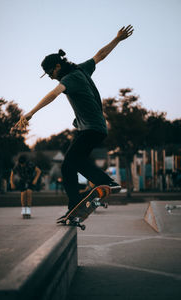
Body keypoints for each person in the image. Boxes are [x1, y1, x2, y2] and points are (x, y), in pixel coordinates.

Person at [13, 25, 134, 218]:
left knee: (72, 160)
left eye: (50, 73)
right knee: (68, 165)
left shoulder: (70, 78)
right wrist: (117, 39)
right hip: (93, 128)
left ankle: (106, 183)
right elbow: (100, 55)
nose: (51, 77)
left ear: (58, 67)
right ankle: (74, 206)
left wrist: (31, 113)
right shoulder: (82, 69)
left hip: (91, 128)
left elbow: (53, 94)